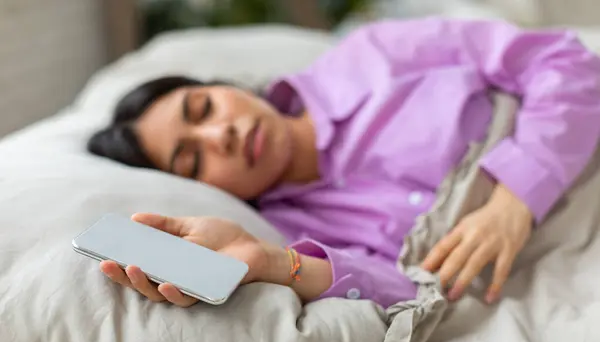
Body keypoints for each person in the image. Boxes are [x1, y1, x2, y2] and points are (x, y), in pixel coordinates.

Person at [87, 17, 600, 309]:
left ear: (221, 85)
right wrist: (271, 264)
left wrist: (514, 199)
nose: (221, 133)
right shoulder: (291, 232)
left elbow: (562, 61)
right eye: (192, 160)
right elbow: (404, 291)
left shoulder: (372, 53)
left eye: (203, 108)